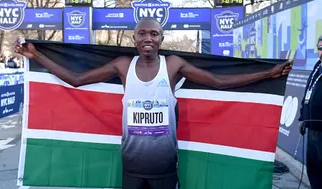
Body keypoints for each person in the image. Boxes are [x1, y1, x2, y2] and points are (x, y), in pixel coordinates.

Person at [16, 18, 292, 189]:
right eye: (142, 33)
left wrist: (268, 74)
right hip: (131, 165)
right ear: (134, 39)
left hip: (164, 166)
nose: (148, 38)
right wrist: (37, 55)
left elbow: (217, 82)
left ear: (162, 39)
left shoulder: (173, 66)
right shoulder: (123, 66)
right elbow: (76, 79)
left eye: (154, 34)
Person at [299, 36, 322, 189]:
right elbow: (308, 93)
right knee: (313, 169)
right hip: (311, 129)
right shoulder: (317, 68)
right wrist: (303, 117)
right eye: (319, 48)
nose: (321, 51)